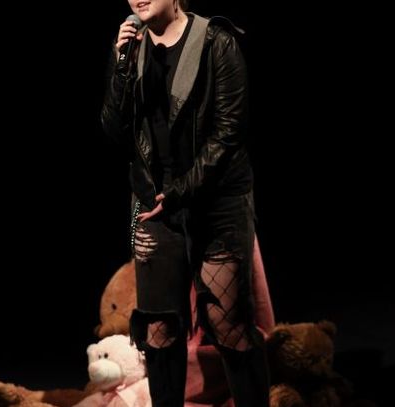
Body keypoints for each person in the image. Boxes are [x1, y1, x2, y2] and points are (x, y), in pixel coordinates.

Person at [101, 1, 270, 405]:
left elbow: (228, 133)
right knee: (159, 330)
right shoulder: (131, 47)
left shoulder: (217, 41)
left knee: (226, 324)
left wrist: (179, 192)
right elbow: (114, 129)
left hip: (215, 201)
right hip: (154, 203)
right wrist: (121, 66)